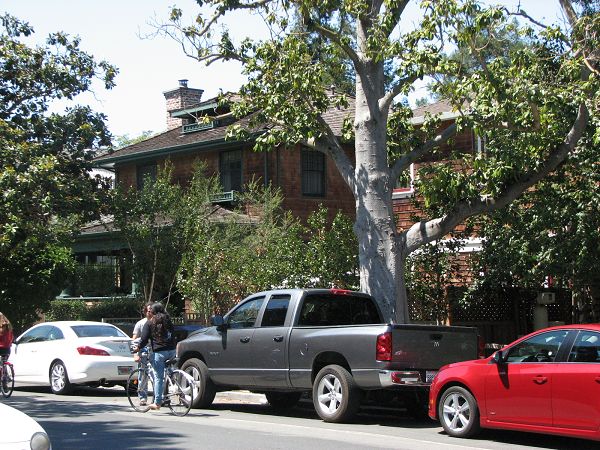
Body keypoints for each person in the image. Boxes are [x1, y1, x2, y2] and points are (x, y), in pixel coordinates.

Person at [135, 302, 176, 411]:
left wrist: (137, 348)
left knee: (158, 377)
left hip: (160, 352)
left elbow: (144, 339)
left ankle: (157, 403)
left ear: (153, 312)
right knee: (168, 372)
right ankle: (171, 387)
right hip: (172, 351)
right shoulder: (168, 321)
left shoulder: (150, 323)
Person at [132, 303, 153, 406]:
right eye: (148, 311)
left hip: (154, 351)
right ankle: (143, 397)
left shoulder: (157, 322)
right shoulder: (140, 323)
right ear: (145, 312)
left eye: (152, 311)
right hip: (143, 351)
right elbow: (134, 340)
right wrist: (135, 354)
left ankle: (159, 397)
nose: (150, 313)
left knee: (156, 375)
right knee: (143, 375)